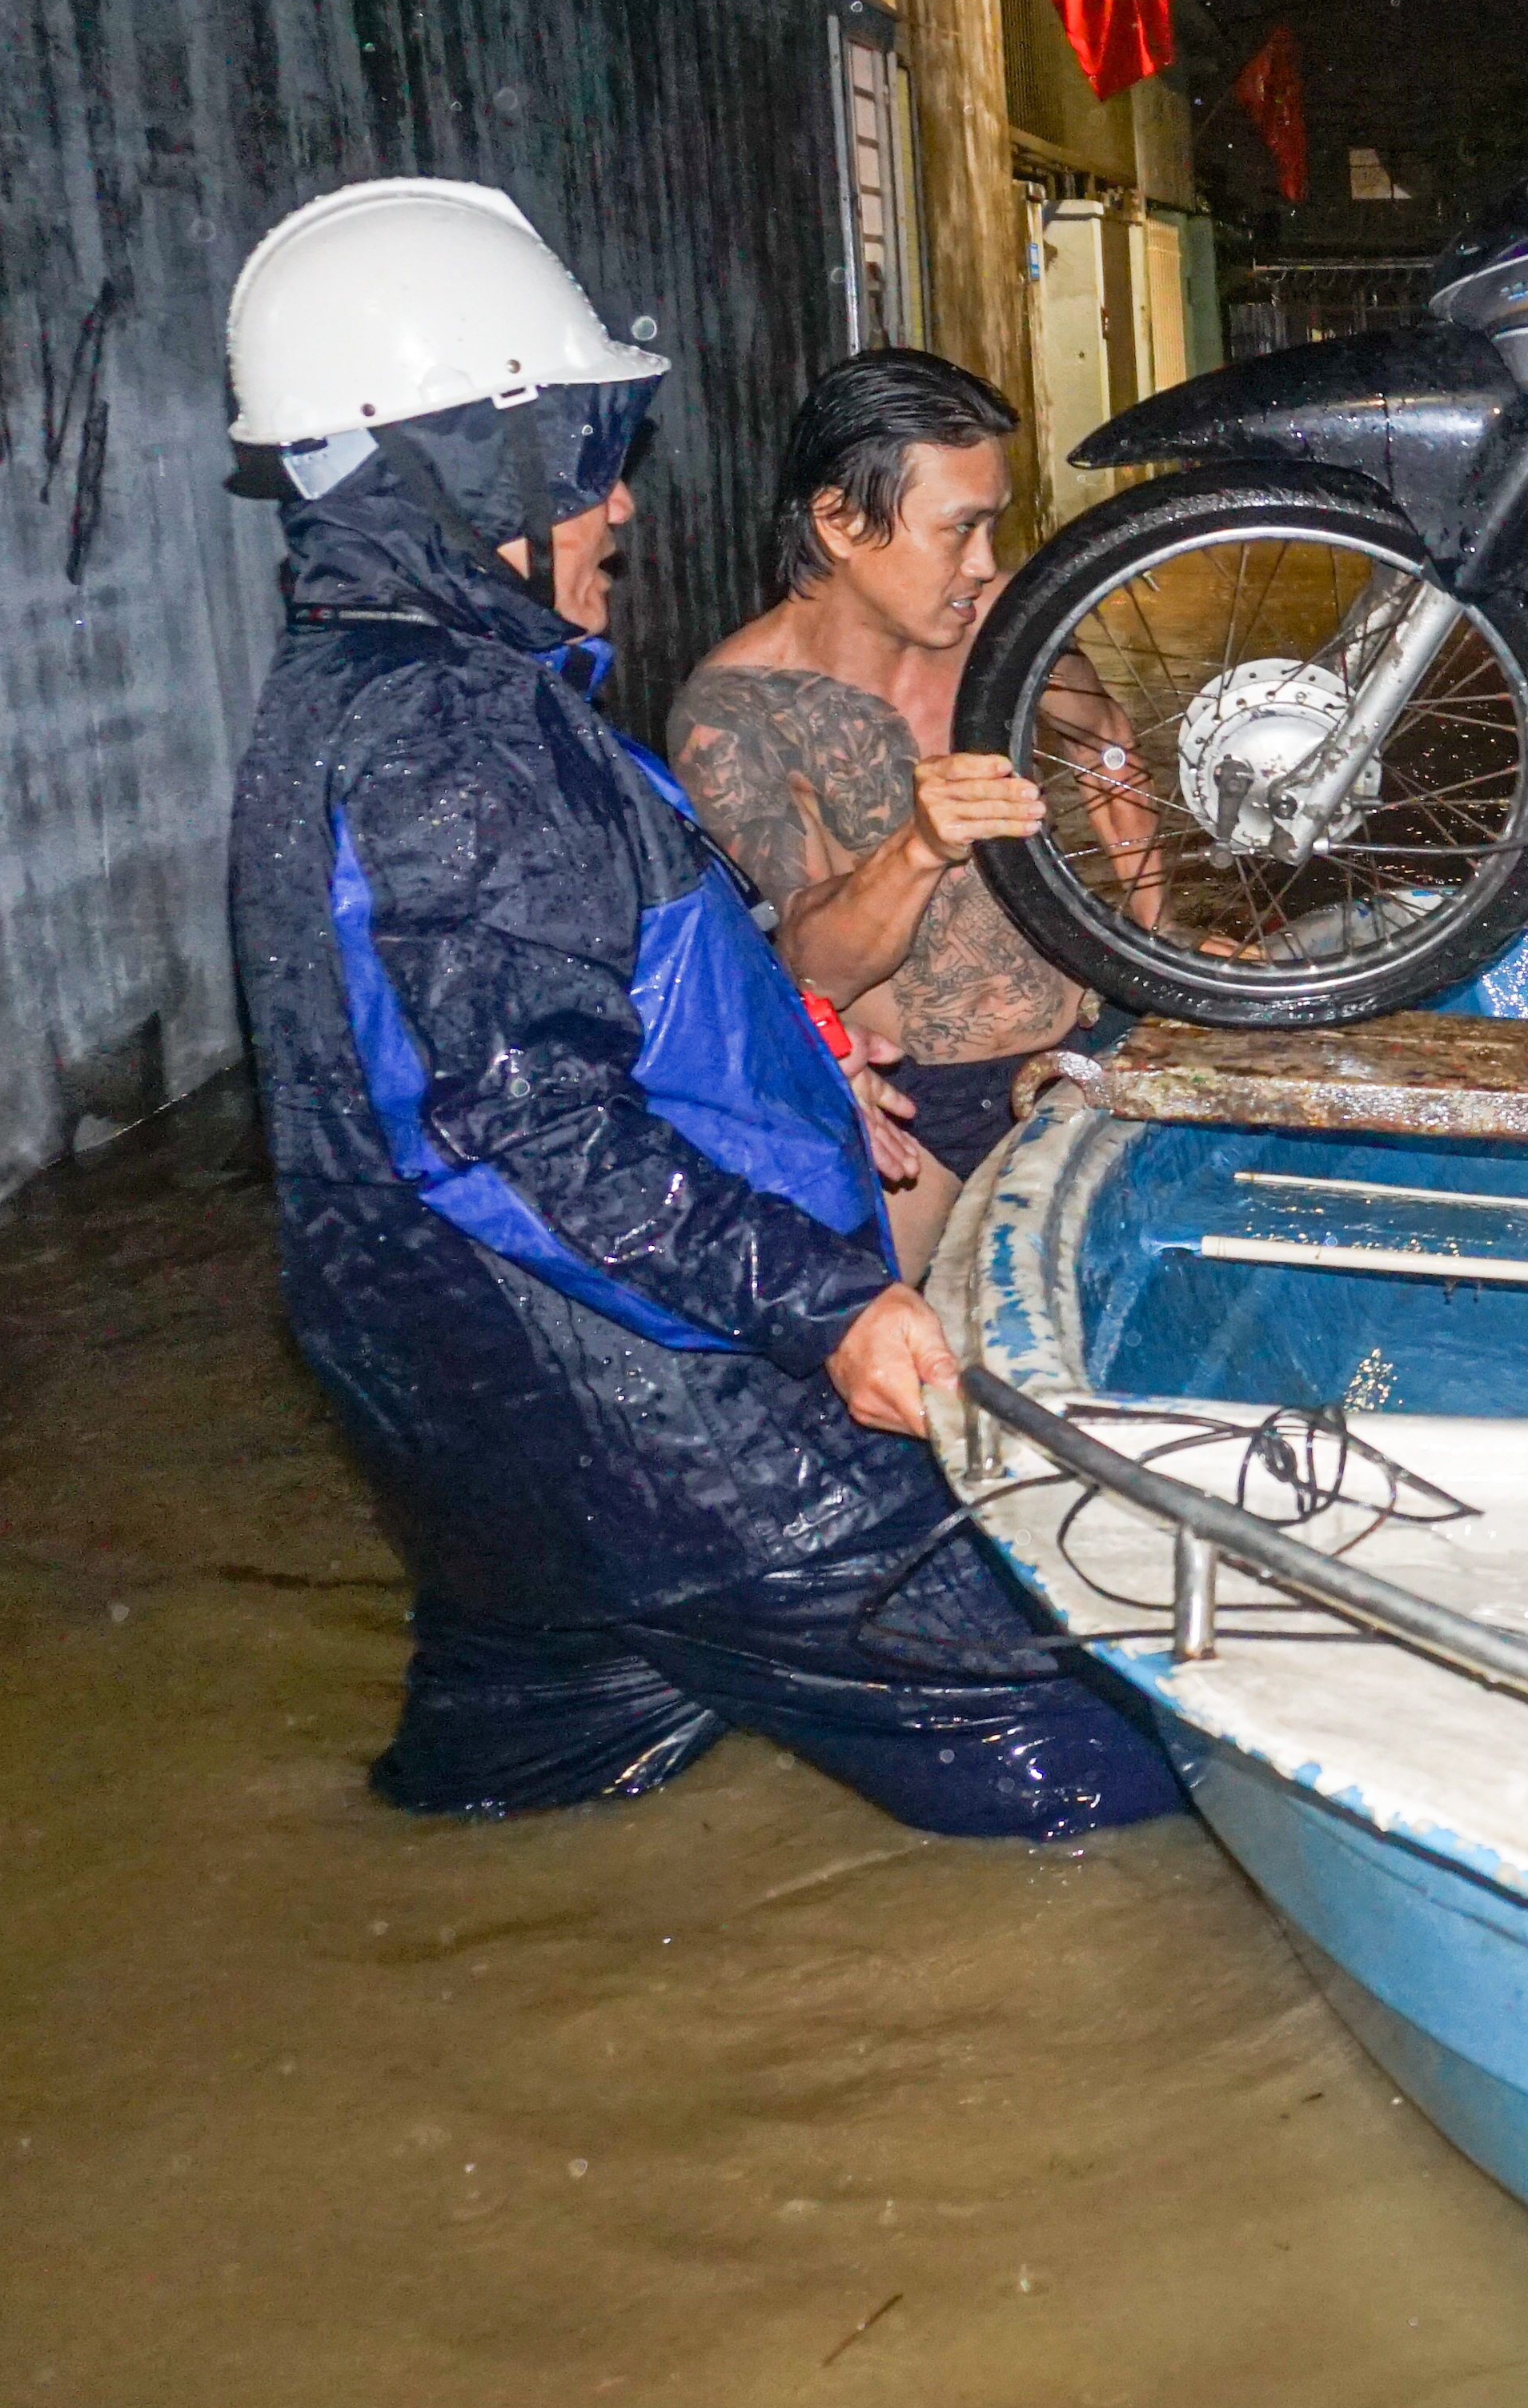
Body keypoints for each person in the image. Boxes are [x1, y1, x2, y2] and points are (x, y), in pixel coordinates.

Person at [219, 178, 1181, 1837]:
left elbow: (566, 1005)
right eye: (590, 467)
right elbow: (515, 1125)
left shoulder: (387, 698)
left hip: (477, 1415)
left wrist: (804, 1061)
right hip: (662, 1423)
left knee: (523, 1778)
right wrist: (826, 1307)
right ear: (477, 466)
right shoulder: (455, 744)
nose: (620, 511)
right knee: (1106, 1751)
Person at [669, 353, 1081, 1275]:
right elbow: (809, 963)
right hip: (914, 1105)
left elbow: (1111, 755)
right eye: (959, 529)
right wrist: (920, 845)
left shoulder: (1011, 625)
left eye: (993, 526)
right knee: (884, 1366)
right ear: (842, 521)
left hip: (1085, 1052)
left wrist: (1158, 936)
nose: (985, 563)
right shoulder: (737, 710)